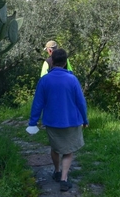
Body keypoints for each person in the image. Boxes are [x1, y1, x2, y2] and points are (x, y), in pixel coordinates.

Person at [29, 48, 88, 192]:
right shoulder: (72, 79)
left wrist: (33, 122)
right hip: (71, 121)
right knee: (68, 151)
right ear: (65, 62)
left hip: (51, 121)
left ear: (52, 61)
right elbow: (81, 102)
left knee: (55, 148)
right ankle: (64, 178)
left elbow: (38, 103)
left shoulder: (44, 80)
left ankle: (56, 171)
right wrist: (85, 119)